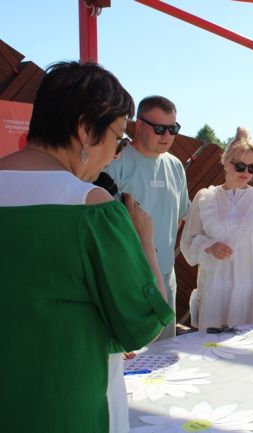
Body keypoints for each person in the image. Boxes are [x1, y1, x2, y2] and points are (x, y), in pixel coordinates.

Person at [0, 61, 173, 433]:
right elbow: (144, 323)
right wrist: (144, 239)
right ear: (84, 130)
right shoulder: (89, 206)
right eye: (117, 137)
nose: (115, 153)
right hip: (65, 404)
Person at [180, 127, 253, 330]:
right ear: (226, 164)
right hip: (214, 291)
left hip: (251, 294)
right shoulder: (205, 198)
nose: (246, 172)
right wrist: (209, 246)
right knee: (211, 352)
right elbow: (188, 241)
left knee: (249, 352)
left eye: (252, 168)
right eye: (240, 166)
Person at [106, 95, 189, 340]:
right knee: (132, 361)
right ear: (139, 125)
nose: (167, 136)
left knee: (164, 360)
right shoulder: (115, 165)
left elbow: (181, 215)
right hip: (129, 279)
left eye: (173, 129)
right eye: (160, 129)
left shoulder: (175, 166)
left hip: (166, 276)